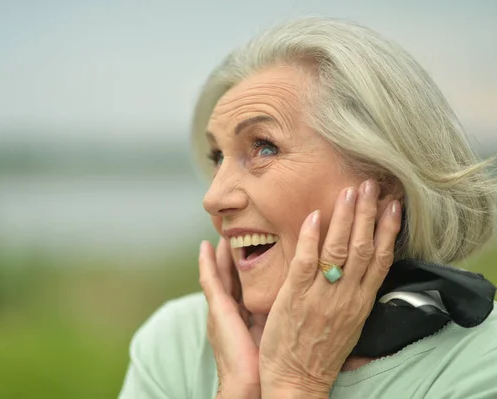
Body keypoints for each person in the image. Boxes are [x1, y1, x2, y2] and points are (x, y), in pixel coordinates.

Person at [119, 17, 497, 398]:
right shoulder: (177, 344)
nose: (213, 198)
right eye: (218, 157)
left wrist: (295, 382)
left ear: (383, 184)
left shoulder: (484, 359)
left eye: (264, 147)